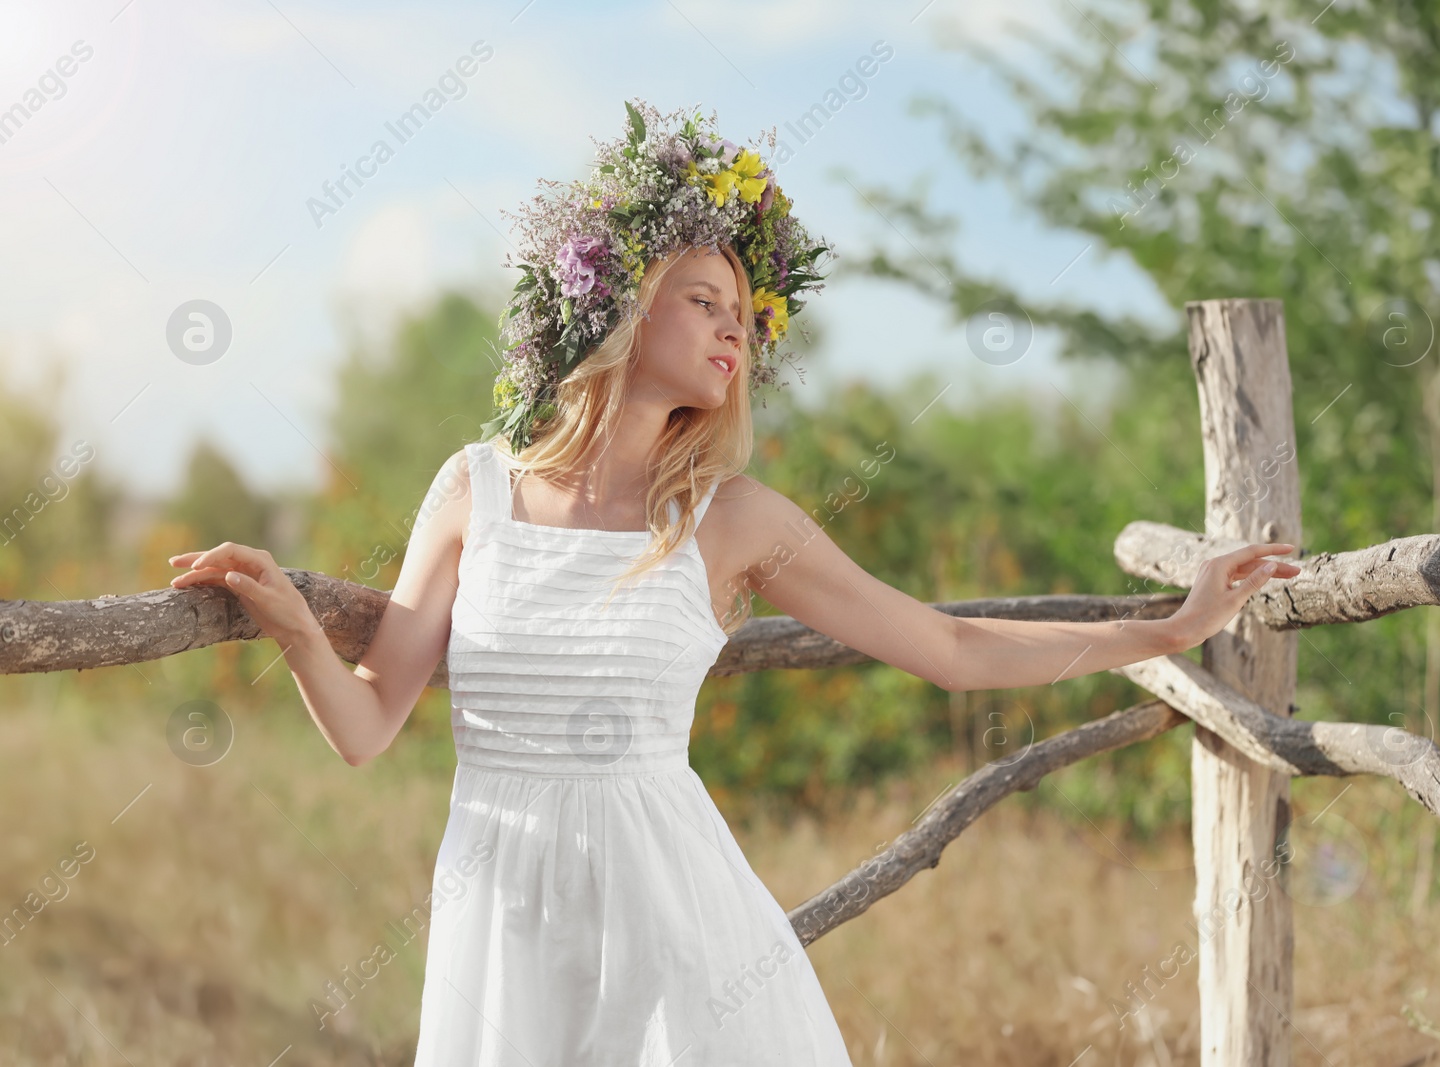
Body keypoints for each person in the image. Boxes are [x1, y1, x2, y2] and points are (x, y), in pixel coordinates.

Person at [165, 101, 1299, 1064]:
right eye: (705, 299)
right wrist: (290, 622)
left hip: (674, 924)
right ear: (621, 302)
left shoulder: (731, 517)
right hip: (497, 912)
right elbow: (367, 724)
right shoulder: (473, 488)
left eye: (745, 318)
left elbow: (948, 649)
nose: (733, 332)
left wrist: (1171, 625)